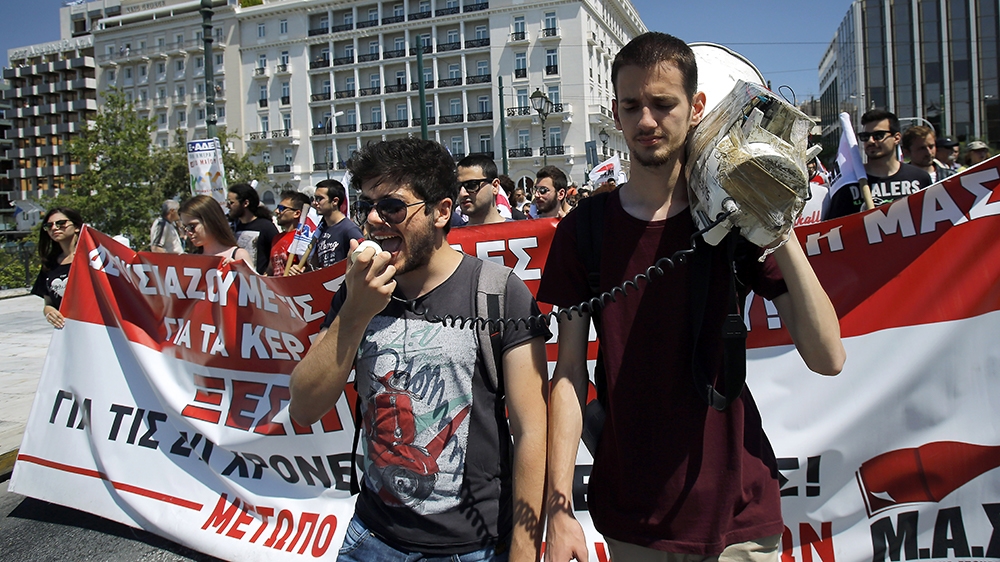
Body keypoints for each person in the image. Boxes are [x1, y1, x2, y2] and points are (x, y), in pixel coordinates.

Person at [537, 32, 845, 560]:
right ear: (616, 113)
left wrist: (777, 219)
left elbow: (828, 357)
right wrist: (560, 508)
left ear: (696, 106)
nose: (646, 121)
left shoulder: (738, 217)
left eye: (663, 104)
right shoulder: (584, 230)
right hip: (634, 516)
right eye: (631, 106)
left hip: (739, 516)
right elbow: (568, 375)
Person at [288, 138, 549, 562]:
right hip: (372, 538)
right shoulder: (358, 292)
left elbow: (532, 429)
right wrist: (353, 313)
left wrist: (524, 546)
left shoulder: (498, 292)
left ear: (441, 212)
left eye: (392, 207)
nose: (375, 220)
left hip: (475, 548)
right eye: (367, 206)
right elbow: (303, 408)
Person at [827, 109, 932, 219]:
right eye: (865, 136)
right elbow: (835, 225)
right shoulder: (849, 184)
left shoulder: (919, 178)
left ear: (896, 138)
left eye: (878, 135)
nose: (870, 141)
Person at [291, 179, 363, 273]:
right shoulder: (321, 230)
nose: (315, 203)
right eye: (314, 198)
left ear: (335, 201)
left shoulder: (350, 229)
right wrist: (303, 270)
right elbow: (317, 265)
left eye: (319, 199)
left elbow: (362, 260)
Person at [32, 207, 83, 329]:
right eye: (49, 226)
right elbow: (48, 303)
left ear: (76, 227)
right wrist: (49, 312)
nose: (54, 228)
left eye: (61, 223)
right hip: (66, 330)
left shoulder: (92, 258)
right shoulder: (49, 264)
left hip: (95, 327)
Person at [181, 195, 252, 267]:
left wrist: (238, 269)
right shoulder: (192, 258)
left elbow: (252, 275)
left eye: (192, 227)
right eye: (185, 227)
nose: (188, 233)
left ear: (211, 222)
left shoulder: (238, 255)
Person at [226, 183, 278, 275]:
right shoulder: (233, 227)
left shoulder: (266, 226)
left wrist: (268, 272)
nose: (228, 206)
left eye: (231, 203)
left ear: (245, 203)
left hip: (258, 280)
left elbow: (277, 252)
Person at [269, 190, 310, 276]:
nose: (276, 211)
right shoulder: (276, 238)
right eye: (277, 207)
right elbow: (271, 269)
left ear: (297, 213)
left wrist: (301, 270)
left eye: (282, 208)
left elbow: (311, 266)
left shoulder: (303, 238)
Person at [456, 154, 506, 226]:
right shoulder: (452, 233)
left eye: (472, 185)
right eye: (458, 186)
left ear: (495, 186)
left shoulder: (518, 231)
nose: (462, 193)